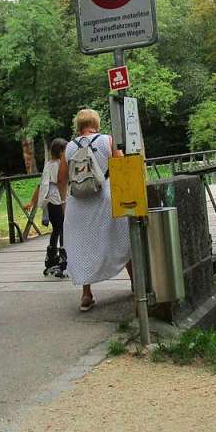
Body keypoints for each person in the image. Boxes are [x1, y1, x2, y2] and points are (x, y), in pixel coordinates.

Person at [58, 109, 131, 311]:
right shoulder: (107, 140)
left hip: (77, 203)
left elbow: (61, 179)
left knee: (82, 246)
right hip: (105, 198)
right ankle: (135, 283)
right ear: (96, 123)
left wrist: (65, 205)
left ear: (78, 126)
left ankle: (86, 294)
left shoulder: (69, 147)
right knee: (122, 238)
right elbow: (122, 167)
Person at [24, 138, 68, 276]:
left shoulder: (48, 164)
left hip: (49, 201)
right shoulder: (60, 165)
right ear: (61, 152)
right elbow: (62, 182)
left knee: (56, 229)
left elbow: (40, 185)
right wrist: (64, 201)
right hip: (58, 200)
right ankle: (63, 261)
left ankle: (51, 259)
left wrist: (32, 202)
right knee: (63, 229)